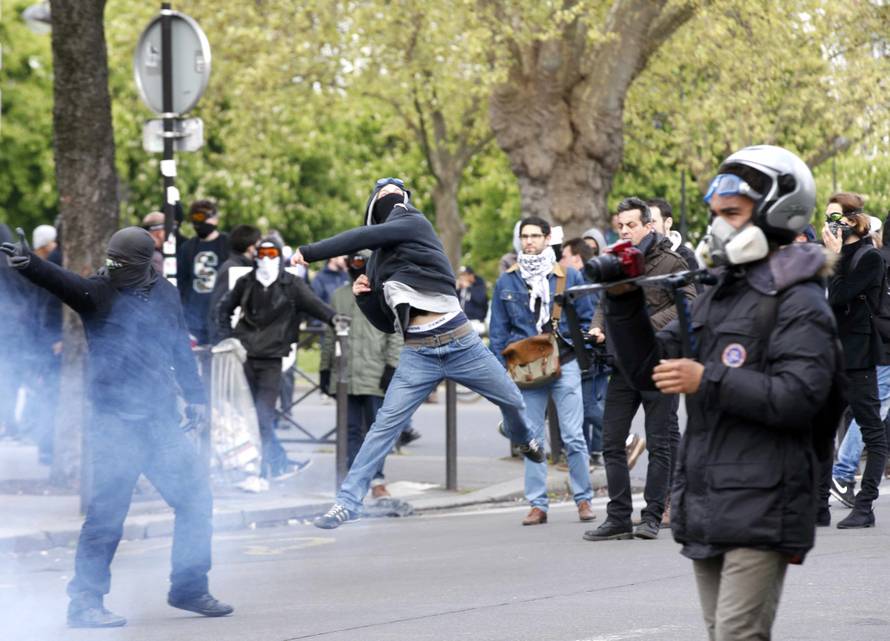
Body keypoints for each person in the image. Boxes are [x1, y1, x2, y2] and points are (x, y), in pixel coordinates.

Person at [602, 145, 838, 640]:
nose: (720, 226)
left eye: (732, 213)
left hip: (765, 499)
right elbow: (650, 370)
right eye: (716, 215)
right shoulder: (717, 292)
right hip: (709, 499)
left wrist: (705, 379)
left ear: (777, 214)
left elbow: (800, 396)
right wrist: (622, 301)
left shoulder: (801, 301)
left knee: (736, 635)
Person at [1, 226, 232, 628]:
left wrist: (195, 397)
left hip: (160, 422)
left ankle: (189, 588)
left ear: (146, 263)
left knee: (196, 501)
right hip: (114, 423)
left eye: (122, 263)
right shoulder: (99, 292)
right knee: (106, 518)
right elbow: (63, 282)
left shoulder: (164, 293)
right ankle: (84, 604)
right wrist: (30, 264)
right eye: (111, 261)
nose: (114, 268)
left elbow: (179, 345)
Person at [291, 177, 545, 529]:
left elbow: (361, 237)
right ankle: (346, 503)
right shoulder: (378, 264)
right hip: (418, 352)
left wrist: (311, 251)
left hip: (460, 341)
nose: (393, 194)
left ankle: (521, 436)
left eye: (398, 191)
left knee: (513, 401)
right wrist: (365, 295)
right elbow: (385, 322)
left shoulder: (413, 221)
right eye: (384, 192)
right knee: (382, 428)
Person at [585, 197, 695, 541]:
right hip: (622, 363)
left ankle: (651, 515)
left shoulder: (672, 262)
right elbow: (606, 301)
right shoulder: (616, 262)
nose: (625, 231)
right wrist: (599, 326)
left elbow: (687, 303)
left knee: (660, 442)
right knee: (612, 441)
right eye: (620, 226)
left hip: (659, 362)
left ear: (649, 226)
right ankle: (617, 516)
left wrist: (640, 325)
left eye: (631, 225)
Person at [490, 218, 596, 526]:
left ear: (547, 239)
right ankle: (537, 504)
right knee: (531, 438)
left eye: (536, 236)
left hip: (566, 362)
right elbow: (498, 331)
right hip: (526, 367)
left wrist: (583, 352)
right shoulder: (507, 281)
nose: (529, 241)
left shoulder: (569, 275)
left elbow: (588, 318)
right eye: (524, 236)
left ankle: (584, 499)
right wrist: (505, 367)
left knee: (574, 436)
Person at [216, 236, 334, 479]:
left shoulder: (292, 284)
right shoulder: (247, 281)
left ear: (280, 256)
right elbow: (223, 309)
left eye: (272, 254)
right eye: (262, 254)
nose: (267, 259)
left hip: (272, 358)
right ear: (256, 255)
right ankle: (263, 466)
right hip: (245, 356)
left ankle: (270, 465)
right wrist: (230, 338)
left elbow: (317, 306)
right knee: (246, 414)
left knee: (261, 414)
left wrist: (337, 321)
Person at [822, 192, 888, 528]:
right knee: (819, 429)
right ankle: (819, 504)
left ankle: (865, 506)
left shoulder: (869, 257)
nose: (828, 223)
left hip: (859, 356)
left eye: (834, 217)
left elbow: (839, 296)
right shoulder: (835, 254)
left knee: (872, 431)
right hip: (831, 355)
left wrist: (833, 259)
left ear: (850, 220)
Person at [320, 251, 404, 498]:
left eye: (361, 262)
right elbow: (329, 334)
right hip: (345, 374)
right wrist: (325, 369)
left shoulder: (384, 294)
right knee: (349, 429)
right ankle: (353, 478)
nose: (356, 266)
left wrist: (391, 366)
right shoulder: (339, 296)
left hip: (375, 371)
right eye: (352, 261)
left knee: (377, 431)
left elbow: (395, 332)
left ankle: (377, 479)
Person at [560, 237, 608, 466]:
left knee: (588, 407)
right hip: (589, 353)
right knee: (587, 405)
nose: (561, 261)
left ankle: (624, 439)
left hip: (586, 354)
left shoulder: (582, 283)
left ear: (576, 258)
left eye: (564, 256)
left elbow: (589, 321)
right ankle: (588, 452)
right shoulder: (589, 279)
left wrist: (583, 350)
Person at [27, 225, 63, 464]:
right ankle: (47, 447)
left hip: (51, 340)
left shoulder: (52, 262)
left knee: (50, 394)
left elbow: (49, 306)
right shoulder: (53, 262)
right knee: (50, 394)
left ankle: (48, 448)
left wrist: (54, 337)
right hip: (50, 339)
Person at [177, 200, 229, 345]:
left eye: (202, 217)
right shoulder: (187, 248)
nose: (197, 223)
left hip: (221, 316)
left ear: (215, 218)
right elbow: (181, 284)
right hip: (194, 319)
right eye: (194, 218)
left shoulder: (227, 244)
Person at [207, 224, 261, 345]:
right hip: (229, 343)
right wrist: (225, 341)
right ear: (251, 248)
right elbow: (218, 310)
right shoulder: (232, 269)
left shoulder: (240, 266)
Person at [647, 198, 700, 272]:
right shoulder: (641, 255)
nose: (648, 227)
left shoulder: (686, 256)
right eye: (645, 223)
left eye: (653, 221)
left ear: (668, 223)